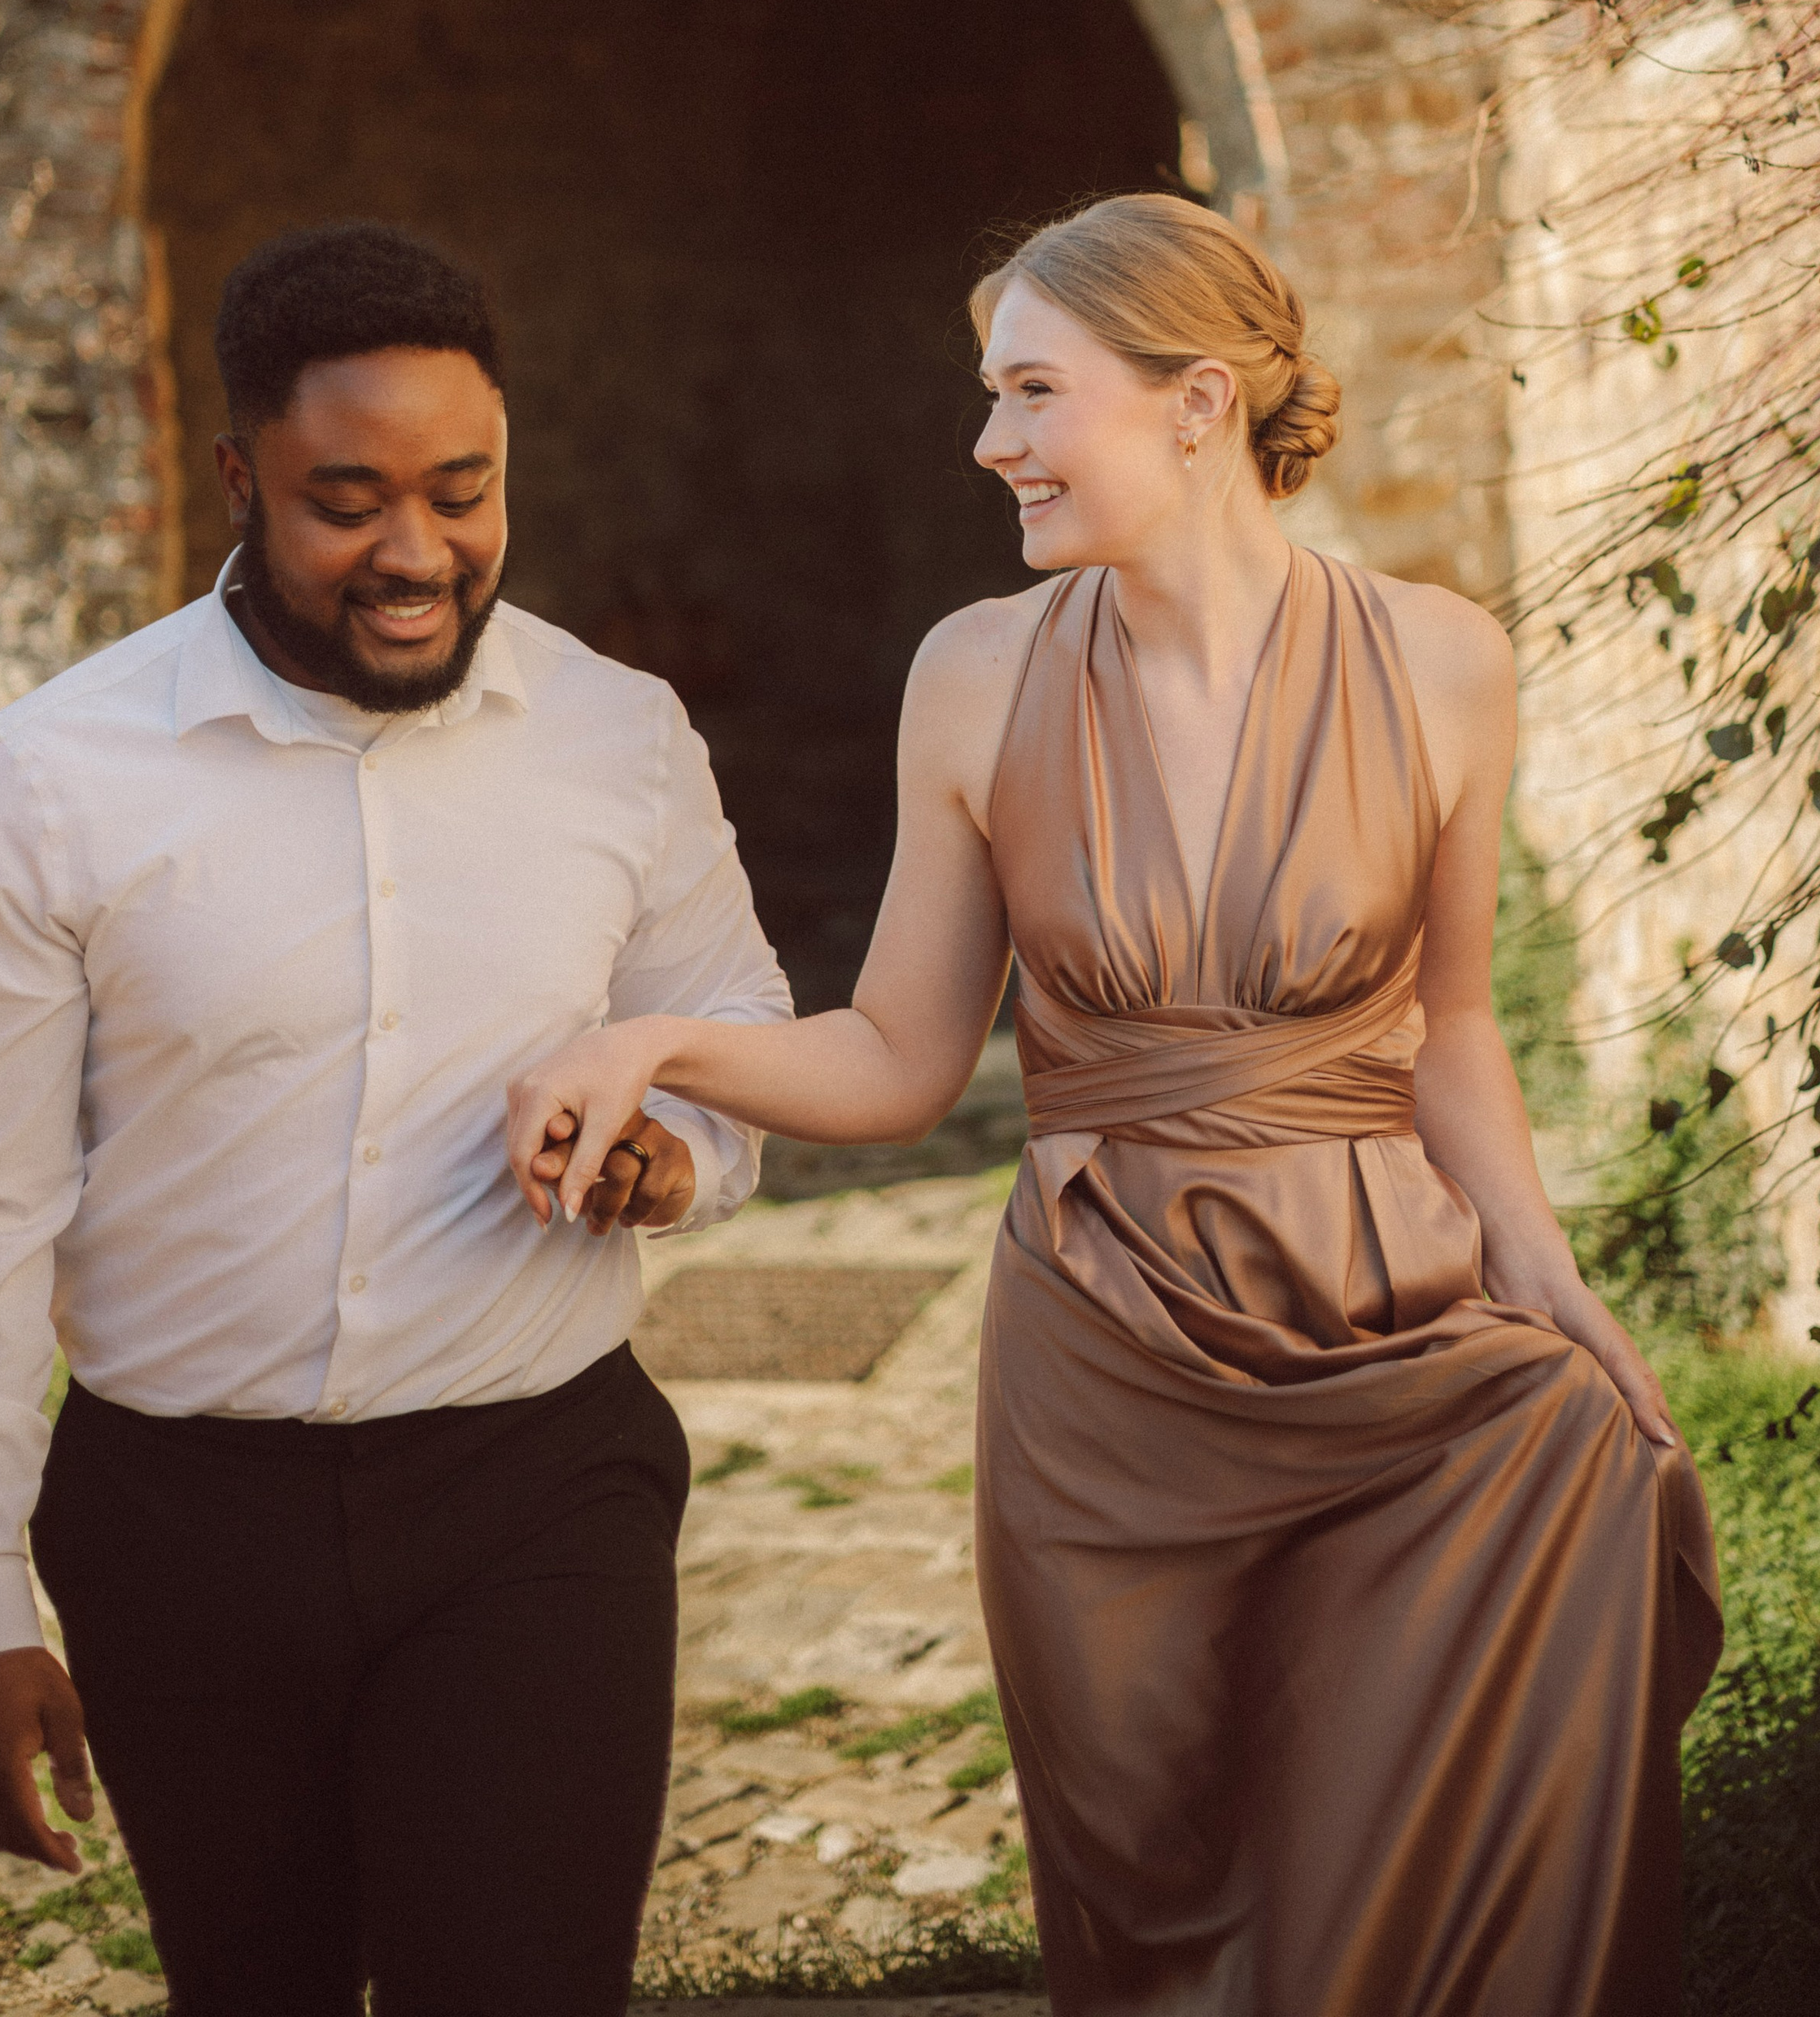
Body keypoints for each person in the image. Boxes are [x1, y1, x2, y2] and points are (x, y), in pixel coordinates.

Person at [517, 190, 1722, 2017]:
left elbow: (1453, 1026)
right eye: (988, 398)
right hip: (1107, 1365)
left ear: (1195, 400)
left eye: (1027, 393)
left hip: (1387, 1323)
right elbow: (903, 1058)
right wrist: (648, 1048)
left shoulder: (1442, 662)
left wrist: (1540, 1278)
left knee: (1529, 1606)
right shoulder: (976, 675)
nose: (987, 442)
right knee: (1160, 1888)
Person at [0, 220, 792, 2017]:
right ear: (235, 474)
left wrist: (677, 1157)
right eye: (346, 499)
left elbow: (732, 1027)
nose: (416, 553)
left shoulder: (619, 734)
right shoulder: (49, 781)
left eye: (464, 491)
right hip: (178, 1520)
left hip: (539, 1486)